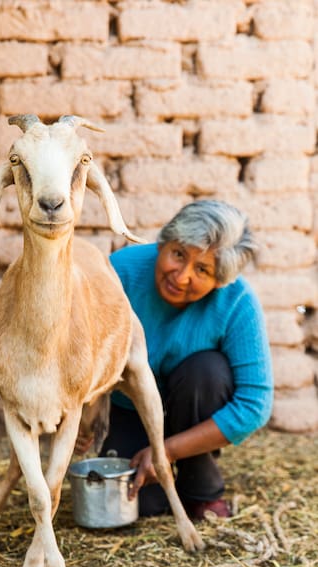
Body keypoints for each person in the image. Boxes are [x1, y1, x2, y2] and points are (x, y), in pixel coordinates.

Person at [76, 200, 274, 520]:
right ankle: (161, 480)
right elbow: (84, 349)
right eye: (178, 254)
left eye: (202, 270)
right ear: (163, 242)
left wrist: (167, 451)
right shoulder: (120, 272)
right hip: (132, 407)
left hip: (194, 406)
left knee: (208, 370)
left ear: (219, 281)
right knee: (141, 505)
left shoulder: (237, 301)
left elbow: (255, 404)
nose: (181, 277)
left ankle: (200, 487)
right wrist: (86, 415)